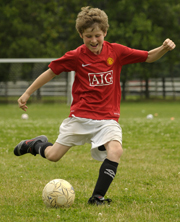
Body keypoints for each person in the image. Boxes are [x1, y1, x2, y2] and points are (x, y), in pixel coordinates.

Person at [14, 6, 176, 205]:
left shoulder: (115, 51)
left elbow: (149, 56)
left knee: (115, 150)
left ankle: (97, 197)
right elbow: (51, 71)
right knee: (53, 155)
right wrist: (27, 92)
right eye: (88, 36)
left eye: (97, 35)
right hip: (80, 116)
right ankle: (34, 144)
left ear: (105, 33)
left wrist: (164, 48)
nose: (93, 40)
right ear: (81, 34)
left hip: (107, 118)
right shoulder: (76, 55)